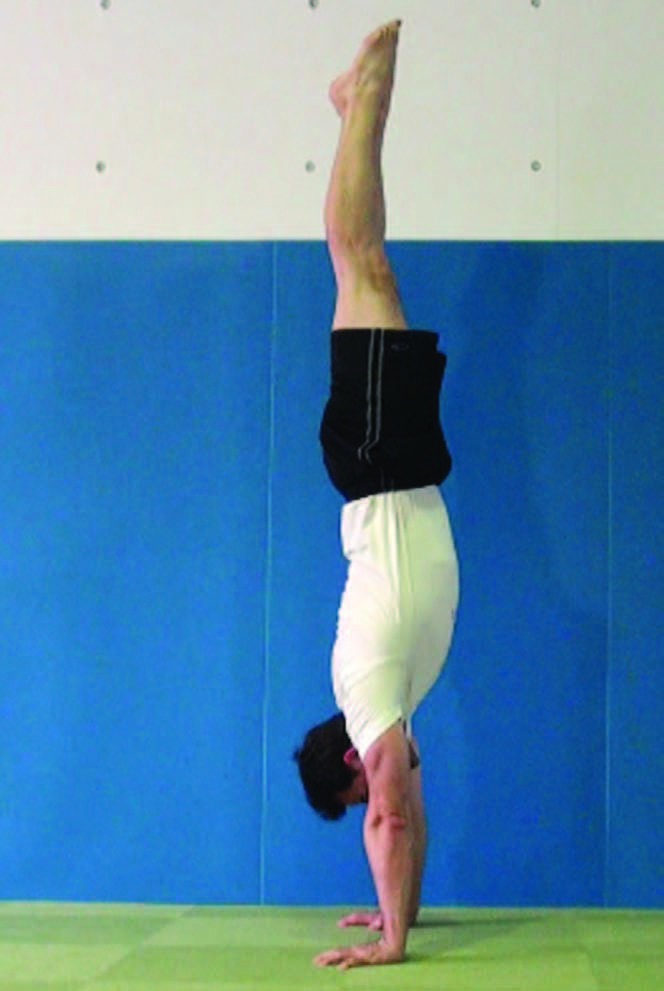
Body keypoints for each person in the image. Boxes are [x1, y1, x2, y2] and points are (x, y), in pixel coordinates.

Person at [293, 19, 459, 971]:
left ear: (350, 763)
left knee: (359, 256)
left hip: (378, 462)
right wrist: (400, 919)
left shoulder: (365, 697)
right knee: (364, 264)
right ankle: (358, 109)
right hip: (397, 467)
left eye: (358, 796)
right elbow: (412, 811)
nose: (380, 800)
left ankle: (360, 105)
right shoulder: (392, 701)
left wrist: (389, 946)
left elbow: (392, 812)